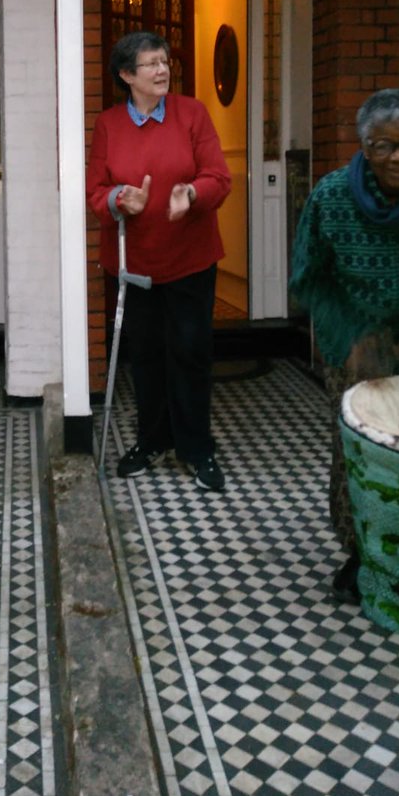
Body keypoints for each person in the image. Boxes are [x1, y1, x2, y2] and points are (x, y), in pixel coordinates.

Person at [289, 88, 399, 603]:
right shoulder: (331, 197)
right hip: (356, 351)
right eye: (384, 145)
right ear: (364, 146)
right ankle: (362, 554)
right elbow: (309, 277)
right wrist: (349, 336)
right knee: (360, 459)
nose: (398, 157)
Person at [86, 31, 232, 490]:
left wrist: (190, 193)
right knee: (145, 356)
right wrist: (119, 199)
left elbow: (218, 177)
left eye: (165, 61)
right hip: (134, 264)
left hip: (190, 259)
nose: (162, 70)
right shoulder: (109, 124)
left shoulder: (192, 114)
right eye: (150, 64)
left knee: (189, 354)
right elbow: (95, 192)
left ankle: (196, 447)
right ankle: (151, 441)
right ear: (127, 75)